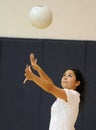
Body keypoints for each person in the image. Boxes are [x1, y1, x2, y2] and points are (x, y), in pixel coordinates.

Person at [23, 53, 86, 130]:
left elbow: (50, 88)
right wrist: (38, 69)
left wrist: (33, 77)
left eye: (70, 75)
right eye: (64, 75)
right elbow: (50, 84)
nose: (65, 77)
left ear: (77, 82)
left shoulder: (74, 95)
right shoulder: (63, 97)